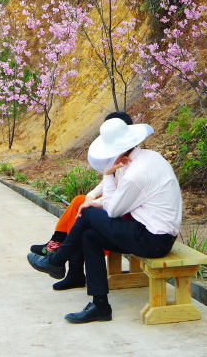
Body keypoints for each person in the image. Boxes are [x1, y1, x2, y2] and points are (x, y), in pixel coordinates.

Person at [27, 117, 182, 324]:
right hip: (149, 232)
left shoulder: (135, 173)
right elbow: (121, 202)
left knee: (88, 215)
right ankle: (100, 304)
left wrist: (108, 175)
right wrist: (96, 202)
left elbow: (114, 211)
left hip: (153, 240)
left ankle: (56, 260)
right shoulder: (147, 157)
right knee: (91, 236)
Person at [31, 112, 134, 268]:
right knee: (80, 200)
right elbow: (108, 181)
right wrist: (90, 197)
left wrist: (94, 202)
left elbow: (120, 195)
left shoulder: (131, 160)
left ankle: (62, 255)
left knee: (84, 212)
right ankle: (57, 245)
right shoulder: (121, 154)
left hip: (125, 215)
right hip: (115, 207)